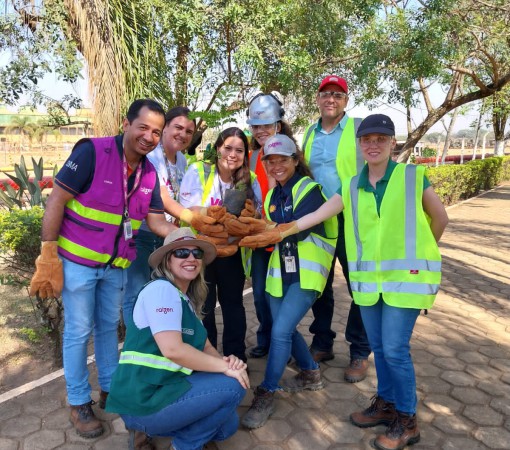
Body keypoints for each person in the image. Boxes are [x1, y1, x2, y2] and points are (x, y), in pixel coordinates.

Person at [241, 114, 449, 449]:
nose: (373, 144)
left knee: (395, 350)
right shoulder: (351, 185)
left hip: (405, 281)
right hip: (369, 283)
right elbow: (316, 216)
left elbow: (440, 218)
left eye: (381, 139)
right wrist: (281, 229)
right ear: (358, 144)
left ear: (392, 143)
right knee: (379, 347)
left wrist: (421, 256)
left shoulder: (412, 177)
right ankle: (386, 404)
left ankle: (407, 421)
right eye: (367, 139)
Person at [29, 99, 177, 438]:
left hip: (116, 267)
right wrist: (48, 253)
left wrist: (186, 236)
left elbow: (155, 220)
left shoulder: (149, 173)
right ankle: (79, 402)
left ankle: (112, 390)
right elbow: (57, 199)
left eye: (156, 131)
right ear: (126, 124)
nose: (149, 136)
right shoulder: (92, 153)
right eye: (143, 127)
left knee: (109, 328)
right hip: (78, 265)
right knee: (79, 331)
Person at [106, 227, 249, 450]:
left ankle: (169, 432)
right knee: (233, 386)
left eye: (196, 253)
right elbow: (173, 350)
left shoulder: (186, 302)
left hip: (165, 389)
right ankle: (183, 445)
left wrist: (227, 364)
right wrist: (226, 370)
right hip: (142, 399)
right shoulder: (161, 290)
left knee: (227, 425)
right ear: (166, 261)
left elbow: (207, 346)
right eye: (181, 253)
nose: (191, 258)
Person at [241, 134, 337, 429]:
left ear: (296, 160)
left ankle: (268, 391)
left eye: (283, 159)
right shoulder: (272, 196)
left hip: (307, 272)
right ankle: (310, 373)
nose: (277, 165)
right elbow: (270, 230)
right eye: (271, 160)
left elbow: (287, 229)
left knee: (280, 330)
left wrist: (263, 229)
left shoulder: (309, 190)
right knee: (284, 325)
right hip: (280, 271)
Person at [302, 75, 371, 383]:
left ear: (346, 100)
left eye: (338, 94)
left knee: (360, 285)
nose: (331, 99)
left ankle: (359, 351)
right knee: (320, 285)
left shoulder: (358, 130)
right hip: (318, 219)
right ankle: (322, 341)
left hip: (353, 220)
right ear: (318, 98)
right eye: (326, 93)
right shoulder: (308, 132)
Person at [179, 127, 262, 362]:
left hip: (232, 255)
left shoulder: (251, 179)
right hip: (201, 253)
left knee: (233, 306)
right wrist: (214, 215)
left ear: (245, 154)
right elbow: (188, 210)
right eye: (228, 148)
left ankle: (236, 358)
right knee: (203, 307)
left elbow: (257, 218)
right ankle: (209, 358)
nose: (233, 154)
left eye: (239, 150)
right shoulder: (199, 171)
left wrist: (249, 217)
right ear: (217, 149)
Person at [123, 106, 196, 324]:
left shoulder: (181, 160)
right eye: (178, 127)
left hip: (167, 235)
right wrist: (193, 220)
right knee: (136, 293)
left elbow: (182, 196)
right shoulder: (151, 156)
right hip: (142, 234)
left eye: (188, 132)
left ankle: (161, 341)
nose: (182, 134)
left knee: (164, 292)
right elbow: (162, 197)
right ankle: (135, 346)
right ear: (164, 128)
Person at [245, 92, 299, 359]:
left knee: (281, 296)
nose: (260, 131)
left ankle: (283, 343)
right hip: (259, 237)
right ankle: (266, 338)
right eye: (255, 126)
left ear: (278, 124)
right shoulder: (253, 156)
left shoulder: (289, 153)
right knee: (259, 295)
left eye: (265, 125)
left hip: (284, 236)